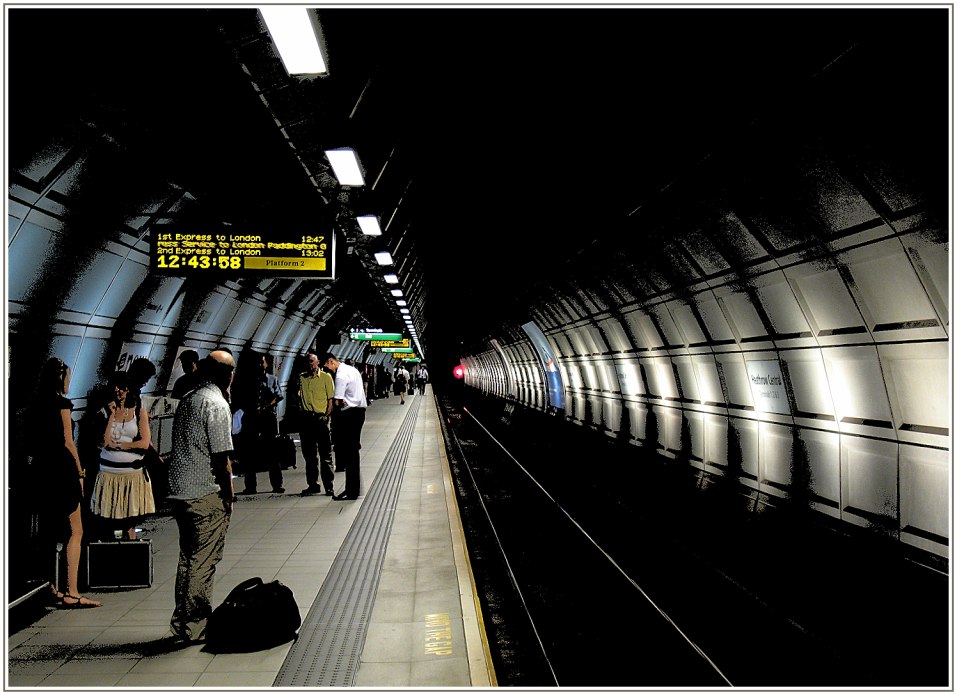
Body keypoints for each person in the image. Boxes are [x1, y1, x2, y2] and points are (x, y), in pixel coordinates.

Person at [167, 349, 236, 642]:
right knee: (203, 561)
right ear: (227, 375)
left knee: (188, 558)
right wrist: (229, 493)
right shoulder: (217, 405)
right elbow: (222, 458)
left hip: (180, 491)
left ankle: (181, 622)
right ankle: (195, 625)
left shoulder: (189, 399)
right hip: (205, 492)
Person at [30, 358, 102, 608]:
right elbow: (68, 442)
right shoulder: (62, 404)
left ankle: (51, 586)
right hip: (62, 470)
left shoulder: (35, 404)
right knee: (75, 530)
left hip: (41, 470)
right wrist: (80, 473)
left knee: (48, 532)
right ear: (61, 378)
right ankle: (72, 591)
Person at [89, 371, 155, 539]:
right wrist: (110, 416)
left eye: (122, 387)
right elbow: (102, 442)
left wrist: (120, 446)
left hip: (132, 474)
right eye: (115, 387)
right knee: (108, 521)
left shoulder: (139, 412)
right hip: (109, 473)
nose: (118, 391)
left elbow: (144, 443)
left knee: (129, 522)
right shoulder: (102, 413)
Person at [237, 353, 285, 495]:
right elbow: (241, 398)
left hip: (267, 418)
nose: (260, 365)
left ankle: (277, 484)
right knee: (249, 453)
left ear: (266, 365)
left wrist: (266, 406)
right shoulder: (247, 381)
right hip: (251, 419)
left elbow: (279, 396)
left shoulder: (272, 380)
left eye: (262, 362)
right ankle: (250, 486)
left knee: (272, 452)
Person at [322, 353, 367, 501]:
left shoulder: (340, 375)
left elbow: (337, 400)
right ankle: (353, 488)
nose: (326, 369)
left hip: (349, 415)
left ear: (331, 361)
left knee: (350, 453)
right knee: (353, 452)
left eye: (326, 365)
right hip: (359, 412)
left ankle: (352, 491)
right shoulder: (352, 369)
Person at [295, 353, 335, 496]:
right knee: (309, 456)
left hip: (320, 420)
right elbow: (298, 398)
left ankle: (329, 486)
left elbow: (330, 399)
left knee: (325, 455)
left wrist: (326, 416)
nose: (310, 364)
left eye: (312, 361)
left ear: (318, 362)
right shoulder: (301, 378)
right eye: (308, 362)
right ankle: (313, 485)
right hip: (306, 420)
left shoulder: (326, 377)